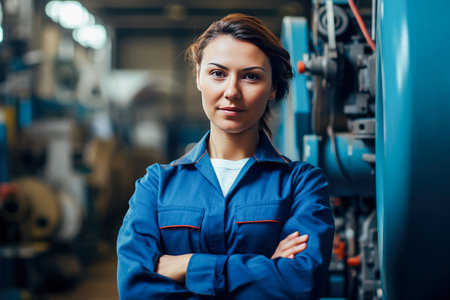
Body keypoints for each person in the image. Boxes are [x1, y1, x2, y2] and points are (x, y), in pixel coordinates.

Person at [117, 13, 334, 299]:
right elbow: (135, 289)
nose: (231, 91)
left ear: (273, 88)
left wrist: (187, 264)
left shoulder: (302, 185)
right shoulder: (156, 185)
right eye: (218, 73)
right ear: (198, 76)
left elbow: (301, 283)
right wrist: (267, 268)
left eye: (251, 76)